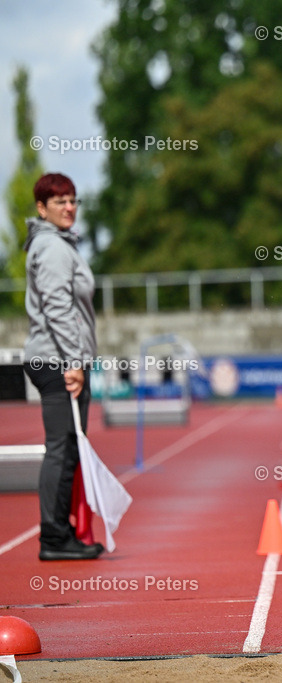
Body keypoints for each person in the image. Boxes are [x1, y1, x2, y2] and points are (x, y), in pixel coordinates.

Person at [22, 173, 104, 561]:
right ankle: (54, 539)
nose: (70, 208)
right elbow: (57, 308)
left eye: (73, 200)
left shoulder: (59, 244)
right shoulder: (52, 247)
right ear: (42, 208)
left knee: (69, 447)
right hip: (56, 361)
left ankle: (63, 531)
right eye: (60, 202)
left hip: (60, 358)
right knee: (61, 447)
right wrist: (74, 361)